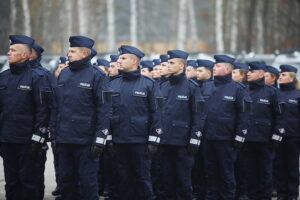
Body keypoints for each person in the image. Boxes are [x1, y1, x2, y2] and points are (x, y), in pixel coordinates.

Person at [54, 35, 111, 200]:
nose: (68, 54)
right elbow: (56, 106)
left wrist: (100, 138)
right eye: (69, 50)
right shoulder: (63, 74)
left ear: (85, 53)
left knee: (88, 183)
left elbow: (105, 109)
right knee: (66, 183)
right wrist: (54, 134)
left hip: (86, 141)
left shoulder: (97, 75)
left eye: (72, 51)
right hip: (64, 139)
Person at [0, 35, 51, 200]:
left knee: (30, 183)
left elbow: (43, 110)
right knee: (11, 182)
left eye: (13, 50)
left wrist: (38, 137)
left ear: (24, 55)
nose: (8, 53)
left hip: (28, 142)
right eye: (9, 49)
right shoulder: (4, 77)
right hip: (7, 140)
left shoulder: (38, 77)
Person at [110, 45, 162, 200]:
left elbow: (157, 114)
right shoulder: (112, 84)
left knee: (142, 179)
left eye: (123, 58)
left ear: (134, 61)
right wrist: (108, 137)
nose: (119, 61)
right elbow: (107, 113)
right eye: (119, 58)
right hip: (119, 140)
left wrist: (154, 139)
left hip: (140, 141)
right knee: (122, 179)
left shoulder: (149, 84)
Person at [201, 55, 251, 200]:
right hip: (208, 137)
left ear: (228, 69)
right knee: (210, 172)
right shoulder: (207, 86)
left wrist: (240, 136)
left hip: (226, 139)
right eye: (214, 66)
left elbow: (244, 115)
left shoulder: (238, 89)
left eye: (217, 66)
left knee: (226, 174)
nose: (214, 68)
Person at [158, 50, 203, 200]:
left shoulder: (192, 87)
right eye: (168, 63)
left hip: (183, 143)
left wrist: (194, 139)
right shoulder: (163, 86)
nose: (168, 65)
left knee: (183, 181)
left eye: (172, 63)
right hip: (164, 141)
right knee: (166, 180)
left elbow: (198, 116)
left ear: (182, 66)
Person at [244, 61, 284, 200]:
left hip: (265, 142)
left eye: (252, 71)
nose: (248, 73)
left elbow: (280, 118)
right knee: (249, 174)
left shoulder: (272, 92)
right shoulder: (243, 90)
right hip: (247, 141)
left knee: (265, 174)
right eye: (248, 71)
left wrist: (276, 139)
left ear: (261, 73)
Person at [275, 65, 300, 200]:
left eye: (284, 75)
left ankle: (291, 195)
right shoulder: (276, 93)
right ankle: (281, 194)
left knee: (292, 168)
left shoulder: (298, 95)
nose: (280, 77)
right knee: (279, 168)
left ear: (292, 77)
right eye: (280, 75)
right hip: (278, 137)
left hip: (293, 137)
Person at [192, 59, 214, 200]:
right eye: (196, 70)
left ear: (209, 72)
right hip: (195, 133)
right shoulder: (193, 86)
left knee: (209, 167)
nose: (196, 73)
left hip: (207, 133)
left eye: (200, 70)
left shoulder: (211, 87)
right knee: (196, 167)